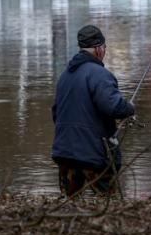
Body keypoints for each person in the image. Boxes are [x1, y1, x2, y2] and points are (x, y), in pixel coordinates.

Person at [51, 25, 135, 197]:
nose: (104, 51)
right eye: (104, 47)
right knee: (109, 202)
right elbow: (113, 106)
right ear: (97, 49)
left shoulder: (64, 76)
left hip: (64, 153)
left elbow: (56, 113)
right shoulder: (99, 74)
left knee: (69, 202)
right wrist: (130, 108)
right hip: (91, 155)